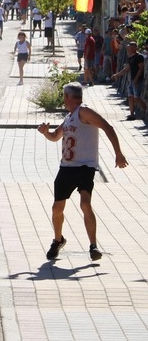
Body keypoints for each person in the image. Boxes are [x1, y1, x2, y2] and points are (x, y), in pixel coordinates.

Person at [37, 82, 128, 261]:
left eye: (64, 96)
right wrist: (45, 132)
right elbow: (55, 136)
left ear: (68, 97)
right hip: (66, 168)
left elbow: (107, 127)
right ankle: (58, 240)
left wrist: (118, 153)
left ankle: (93, 246)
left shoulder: (84, 112)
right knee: (57, 207)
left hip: (85, 167)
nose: (63, 100)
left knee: (85, 203)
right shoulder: (70, 117)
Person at [111, 42, 145, 121]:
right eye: (130, 47)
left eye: (133, 47)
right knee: (130, 97)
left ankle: (144, 110)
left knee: (137, 98)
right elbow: (126, 69)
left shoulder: (139, 57)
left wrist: (136, 79)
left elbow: (141, 68)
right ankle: (132, 114)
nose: (131, 49)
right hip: (132, 81)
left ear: (136, 48)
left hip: (138, 81)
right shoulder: (130, 58)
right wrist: (117, 75)